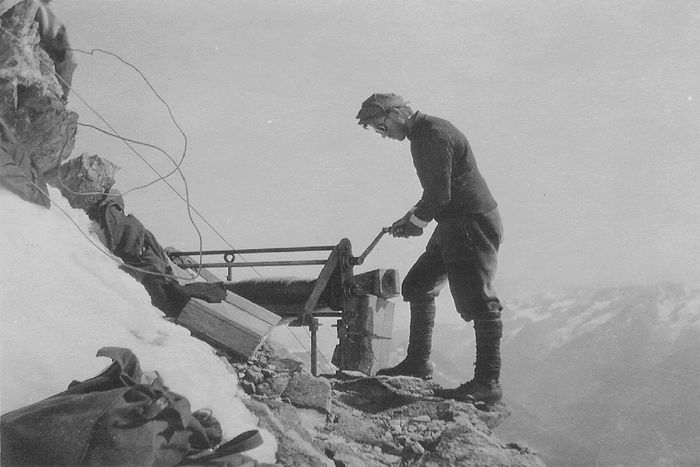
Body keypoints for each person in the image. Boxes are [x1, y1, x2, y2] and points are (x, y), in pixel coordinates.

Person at [355, 93, 505, 403]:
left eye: (382, 127)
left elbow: (439, 194)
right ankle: (418, 364)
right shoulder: (426, 133)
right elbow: (437, 191)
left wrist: (415, 223)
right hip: (455, 222)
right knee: (417, 285)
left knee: (480, 302)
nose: (384, 136)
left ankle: (488, 383)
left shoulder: (431, 136)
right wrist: (410, 218)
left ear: (397, 114)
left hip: (469, 223)